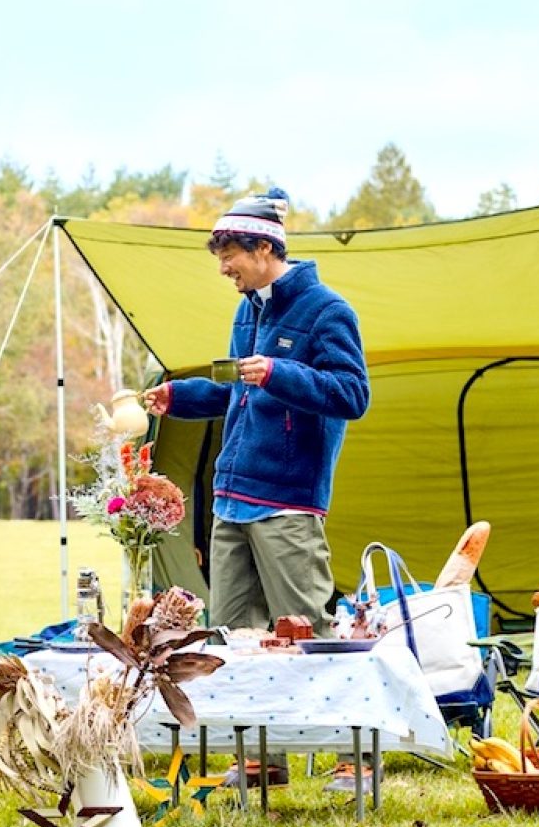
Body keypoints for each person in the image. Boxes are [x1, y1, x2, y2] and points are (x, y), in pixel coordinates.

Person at [143, 187, 370, 791]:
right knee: (234, 635)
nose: (224, 268)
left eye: (230, 256)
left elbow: (353, 395)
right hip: (231, 495)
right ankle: (260, 757)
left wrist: (279, 372)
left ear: (265, 248)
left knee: (306, 630)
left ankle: (352, 755)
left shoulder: (327, 311)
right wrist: (178, 397)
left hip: (287, 497)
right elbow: (234, 391)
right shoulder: (248, 312)